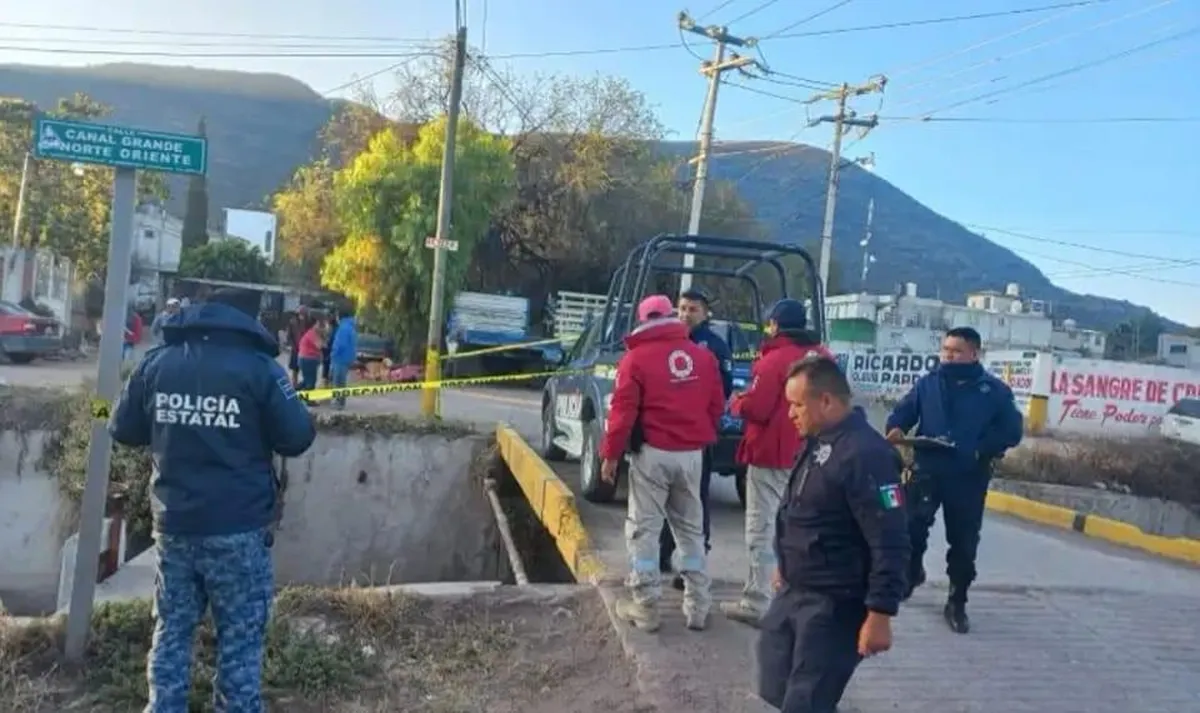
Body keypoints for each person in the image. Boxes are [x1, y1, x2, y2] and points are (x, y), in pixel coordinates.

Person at [108, 287, 317, 713]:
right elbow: (297, 437)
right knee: (240, 637)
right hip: (238, 529)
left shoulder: (158, 362)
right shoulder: (261, 369)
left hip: (175, 526)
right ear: (248, 319)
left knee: (171, 630)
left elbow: (122, 428)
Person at [756, 356, 909, 713]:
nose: (790, 414)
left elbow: (891, 539)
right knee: (774, 681)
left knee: (806, 700)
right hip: (795, 589)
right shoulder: (819, 441)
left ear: (825, 401)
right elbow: (803, 511)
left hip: (835, 602)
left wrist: (880, 613)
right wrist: (786, 561)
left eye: (797, 405)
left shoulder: (867, 455)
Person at [599, 294, 725, 632]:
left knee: (644, 529)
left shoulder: (635, 359)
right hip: (692, 454)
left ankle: (646, 605)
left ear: (642, 321)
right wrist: (697, 434)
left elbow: (622, 414)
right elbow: (716, 406)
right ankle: (698, 606)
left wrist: (610, 456)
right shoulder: (703, 357)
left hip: (652, 455)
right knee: (691, 530)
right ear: (671, 315)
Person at [884, 326, 1023, 634]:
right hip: (927, 470)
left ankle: (957, 600)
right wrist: (895, 427)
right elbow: (903, 413)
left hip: (968, 476)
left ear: (974, 354)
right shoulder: (928, 383)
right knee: (911, 528)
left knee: (963, 542)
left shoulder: (994, 391)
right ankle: (912, 572)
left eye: (956, 351)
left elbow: (1012, 432)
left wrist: (979, 449)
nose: (948, 356)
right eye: (945, 350)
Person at [722, 298, 834, 626]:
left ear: (775, 325)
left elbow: (758, 408)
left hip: (773, 454)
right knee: (807, 528)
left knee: (762, 527)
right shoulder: (825, 358)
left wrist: (737, 403)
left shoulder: (773, 360)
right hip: (816, 455)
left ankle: (757, 601)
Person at [659, 287, 734, 589]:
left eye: (693, 309)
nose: (685, 315)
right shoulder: (667, 342)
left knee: (694, 502)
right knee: (664, 497)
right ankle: (663, 553)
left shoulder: (714, 346)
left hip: (697, 438)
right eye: (682, 308)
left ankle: (691, 568)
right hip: (665, 436)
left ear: (705, 313)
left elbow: (723, 391)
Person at [328, 306, 359, 410]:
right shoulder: (350, 326)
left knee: (338, 381)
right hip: (347, 358)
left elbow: (340, 344)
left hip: (340, 358)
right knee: (341, 380)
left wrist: (333, 354)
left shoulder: (343, 328)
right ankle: (340, 402)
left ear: (340, 316)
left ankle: (339, 402)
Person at [296, 318, 327, 392]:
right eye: (317, 324)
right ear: (313, 325)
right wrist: (323, 335)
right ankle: (309, 397)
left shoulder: (312, 333)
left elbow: (323, 345)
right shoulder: (312, 333)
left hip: (306, 359)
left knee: (307, 380)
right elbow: (320, 346)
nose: (319, 326)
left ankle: (295, 392)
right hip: (308, 359)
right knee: (311, 381)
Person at [286, 307, 311, 387]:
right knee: (295, 368)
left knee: (306, 369)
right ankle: (294, 384)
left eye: (304, 314)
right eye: (301, 314)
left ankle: (305, 385)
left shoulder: (309, 323)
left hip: (305, 350)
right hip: (296, 349)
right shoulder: (292, 322)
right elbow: (289, 336)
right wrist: (293, 346)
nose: (302, 316)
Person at [321, 308, 339, 387]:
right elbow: (322, 337)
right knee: (326, 369)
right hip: (326, 350)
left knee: (332, 370)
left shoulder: (337, 327)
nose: (328, 317)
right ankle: (326, 385)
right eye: (327, 316)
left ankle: (330, 384)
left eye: (329, 316)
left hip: (333, 350)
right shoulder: (325, 325)